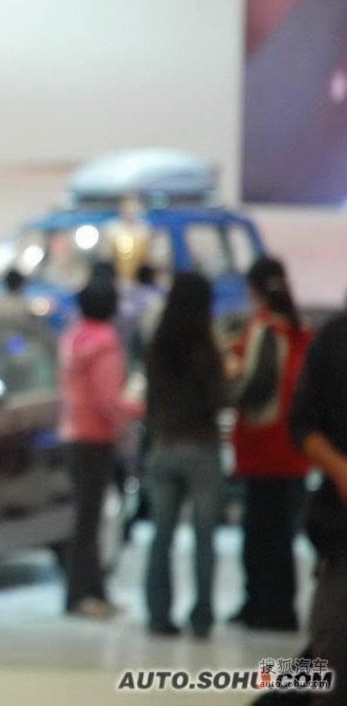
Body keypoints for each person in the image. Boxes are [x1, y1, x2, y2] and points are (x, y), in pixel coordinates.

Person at [226, 257, 312, 632]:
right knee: (282, 535)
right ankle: (280, 605)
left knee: (260, 533)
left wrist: (232, 386)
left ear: (253, 289)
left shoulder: (264, 329)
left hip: (262, 445)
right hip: (294, 448)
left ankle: (264, 607)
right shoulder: (300, 331)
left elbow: (258, 386)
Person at [143, 272, 225, 638]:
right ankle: (202, 616)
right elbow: (218, 400)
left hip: (164, 445)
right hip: (201, 447)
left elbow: (149, 400)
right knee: (204, 538)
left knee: (161, 536)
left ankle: (158, 613)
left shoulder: (157, 345)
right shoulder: (204, 347)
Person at [59, 275, 143, 617]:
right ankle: (83, 596)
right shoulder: (106, 342)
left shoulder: (73, 336)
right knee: (90, 521)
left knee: (85, 519)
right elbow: (109, 399)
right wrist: (138, 408)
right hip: (96, 437)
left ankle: (91, 592)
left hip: (73, 433)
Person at [289, 308, 347, 706]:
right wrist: (341, 470)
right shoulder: (335, 339)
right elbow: (302, 421)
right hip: (340, 531)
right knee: (332, 664)